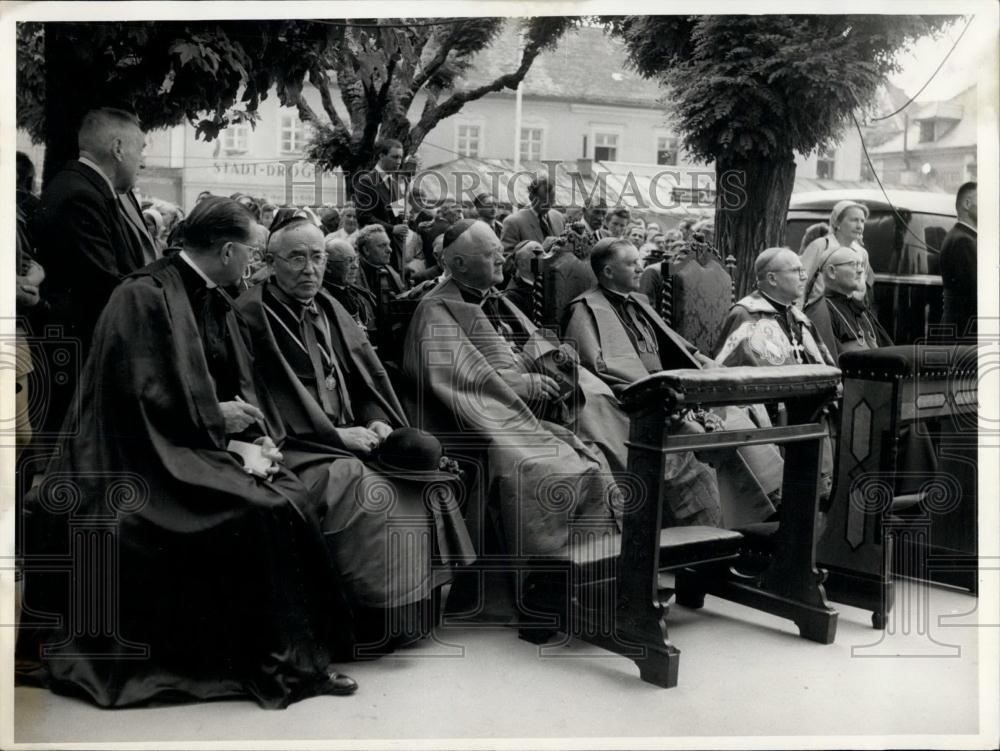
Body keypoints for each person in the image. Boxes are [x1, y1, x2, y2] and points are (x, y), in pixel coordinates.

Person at [18, 197, 359, 708]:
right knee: (258, 507)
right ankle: (278, 662)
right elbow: (125, 396)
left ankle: (300, 653)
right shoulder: (141, 295)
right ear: (226, 251)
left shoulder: (213, 295)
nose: (256, 264)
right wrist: (218, 421)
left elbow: (231, 383)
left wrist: (251, 439)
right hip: (135, 458)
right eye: (253, 252)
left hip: (189, 442)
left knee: (286, 488)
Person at [237, 218, 473, 647]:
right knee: (365, 490)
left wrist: (375, 418)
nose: (309, 269)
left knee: (422, 464)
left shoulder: (329, 307)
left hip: (354, 435)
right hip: (298, 446)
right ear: (270, 263)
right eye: (295, 258)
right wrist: (336, 437)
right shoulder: (250, 315)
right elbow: (259, 404)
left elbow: (360, 378)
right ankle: (368, 624)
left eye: (317, 257)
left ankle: (415, 611)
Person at [403, 219, 624, 558]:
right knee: (559, 467)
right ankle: (547, 575)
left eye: (500, 252)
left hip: (525, 406)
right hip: (475, 419)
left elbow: (533, 345)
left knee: (607, 426)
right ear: (459, 264)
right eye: (491, 254)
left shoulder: (494, 298)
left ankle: (609, 562)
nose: (501, 259)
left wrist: (557, 364)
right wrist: (521, 384)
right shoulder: (435, 309)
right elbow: (455, 379)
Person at [564, 238, 782, 525]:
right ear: (607, 272)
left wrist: (703, 362)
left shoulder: (638, 302)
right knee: (698, 434)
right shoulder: (585, 309)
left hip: (674, 386)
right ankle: (722, 527)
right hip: (639, 400)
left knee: (737, 414)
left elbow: (676, 346)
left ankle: (769, 507)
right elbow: (596, 369)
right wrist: (662, 390)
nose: (640, 268)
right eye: (631, 263)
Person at [32, 107, 151, 434]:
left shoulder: (83, 187)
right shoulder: (79, 194)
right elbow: (105, 284)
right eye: (140, 150)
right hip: (77, 352)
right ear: (117, 148)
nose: (143, 162)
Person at [804, 246, 891, 361]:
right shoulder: (820, 311)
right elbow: (830, 363)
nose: (860, 270)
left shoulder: (862, 311)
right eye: (853, 264)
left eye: (861, 265)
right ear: (831, 272)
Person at [800, 200, 875, 309]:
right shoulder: (821, 246)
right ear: (837, 223)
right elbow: (800, 281)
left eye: (862, 221)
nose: (859, 226)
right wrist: (797, 314)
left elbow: (861, 288)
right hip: (819, 313)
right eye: (854, 220)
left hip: (847, 315)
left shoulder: (862, 253)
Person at [353, 139, 409, 269]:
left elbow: (397, 213)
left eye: (401, 157)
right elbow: (363, 215)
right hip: (374, 248)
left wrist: (405, 215)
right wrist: (392, 228)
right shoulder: (366, 181)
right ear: (381, 156)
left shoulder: (395, 183)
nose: (399, 162)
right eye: (394, 157)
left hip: (394, 248)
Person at [939, 181, 977, 338]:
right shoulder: (964, 241)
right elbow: (975, 293)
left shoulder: (959, 236)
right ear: (967, 204)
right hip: (964, 334)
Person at [322, 236, 376, 335]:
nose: (355, 266)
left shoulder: (359, 294)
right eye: (349, 261)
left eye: (356, 260)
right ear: (328, 266)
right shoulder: (322, 299)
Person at [500, 175, 566, 255]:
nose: (548, 206)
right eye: (544, 201)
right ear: (531, 197)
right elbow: (507, 260)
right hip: (533, 267)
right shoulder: (513, 222)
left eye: (552, 201)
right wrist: (540, 250)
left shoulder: (558, 218)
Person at [502, 240, 541, 317]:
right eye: (538, 254)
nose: (545, 258)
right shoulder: (512, 298)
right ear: (522, 264)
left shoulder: (546, 286)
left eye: (545, 253)